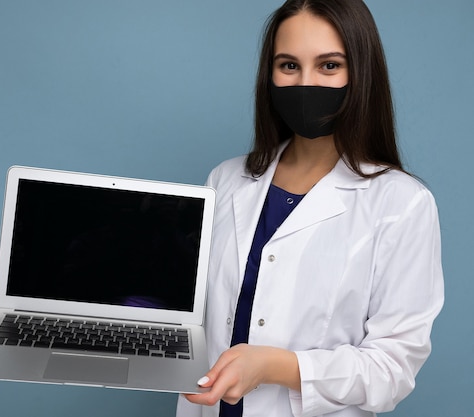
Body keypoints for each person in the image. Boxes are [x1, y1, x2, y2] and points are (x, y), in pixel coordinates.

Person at [177, 0, 444, 416]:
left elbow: (393, 367)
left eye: (329, 65)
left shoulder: (402, 203)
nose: (306, 83)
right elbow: (194, 315)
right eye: (288, 66)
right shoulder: (225, 181)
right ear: (270, 75)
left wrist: (278, 365)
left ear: (360, 73)